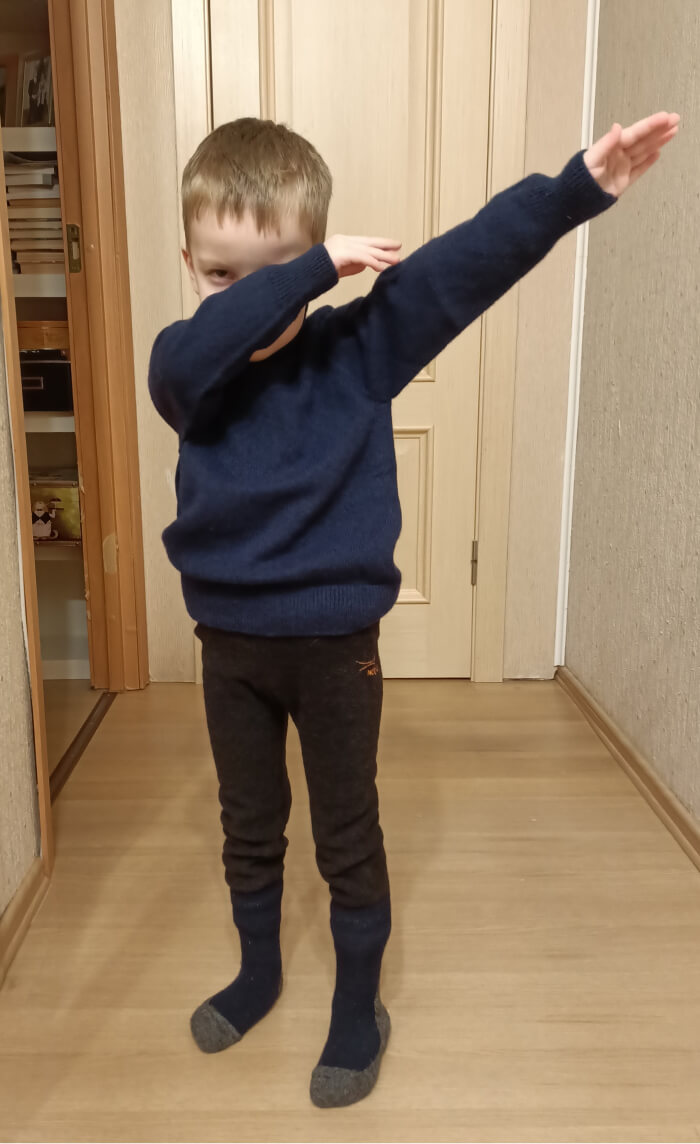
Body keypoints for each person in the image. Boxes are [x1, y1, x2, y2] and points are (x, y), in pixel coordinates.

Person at [148, 111, 679, 1108]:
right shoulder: (187, 369)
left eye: (277, 272)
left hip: (334, 646)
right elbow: (208, 343)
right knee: (249, 822)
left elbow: (460, 266)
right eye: (221, 274)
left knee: (345, 831)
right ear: (190, 267)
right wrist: (302, 272)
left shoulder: (357, 352)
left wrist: (573, 191)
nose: (251, 302)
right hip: (230, 649)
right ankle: (259, 972)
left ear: (317, 258)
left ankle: (359, 1006)